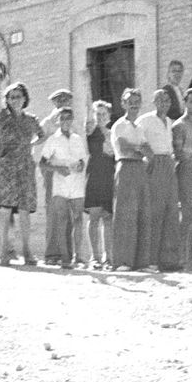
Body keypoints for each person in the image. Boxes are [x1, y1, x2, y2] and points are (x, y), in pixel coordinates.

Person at [0, 81, 48, 266]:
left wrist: (31, 144)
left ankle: (27, 252)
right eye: (11, 97)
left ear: (25, 99)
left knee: (24, 211)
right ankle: (3, 251)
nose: (15, 100)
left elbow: (42, 135)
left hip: (25, 167)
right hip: (6, 167)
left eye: (18, 96)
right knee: (5, 210)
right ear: (6, 99)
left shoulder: (31, 119)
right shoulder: (3, 118)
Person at [136, 89, 181, 271]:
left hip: (169, 164)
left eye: (167, 100)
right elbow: (138, 140)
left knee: (171, 211)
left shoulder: (170, 122)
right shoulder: (145, 120)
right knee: (155, 212)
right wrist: (149, 158)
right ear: (154, 102)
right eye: (160, 100)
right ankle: (150, 260)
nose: (164, 103)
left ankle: (168, 260)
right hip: (155, 164)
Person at [40, 107, 88, 269]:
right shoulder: (53, 139)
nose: (66, 121)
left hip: (77, 184)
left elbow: (82, 159)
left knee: (78, 219)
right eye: (63, 118)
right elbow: (42, 163)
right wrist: (57, 169)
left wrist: (81, 165)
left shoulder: (77, 139)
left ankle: (78, 256)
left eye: (69, 117)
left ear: (72, 119)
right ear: (58, 120)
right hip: (60, 184)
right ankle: (65, 257)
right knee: (62, 220)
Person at [110, 88, 150, 271]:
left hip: (140, 169)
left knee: (142, 213)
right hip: (125, 167)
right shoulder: (119, 125)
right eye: (129, 101)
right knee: (125, 214)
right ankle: (122, 261)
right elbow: (124, 148)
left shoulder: (140, 127)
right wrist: (139, 148)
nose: (134, 104)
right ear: (123, 103)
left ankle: (141, 261)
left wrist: (139, 149)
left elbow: (150, 152)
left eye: (137, 101)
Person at [39, 88, 74, 265]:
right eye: (59, 100)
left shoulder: (72, 119)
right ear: (54, 103)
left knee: (68, 211)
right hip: (53, 170)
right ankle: (52, 253)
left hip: (70, 171)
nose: (63, 102)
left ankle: (67, 253)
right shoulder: (47, 123)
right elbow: (38, 140)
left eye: (66, 99)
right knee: (53, 210)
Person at [172, 87, 192, 271]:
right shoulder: (179, 125)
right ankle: (181, 259)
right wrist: (191, 161)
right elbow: (178, 152)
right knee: (186, 212)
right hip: (187, 169)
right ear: (185, 102)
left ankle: (190, 257)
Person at [85, 100, 115, 269]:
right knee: (94, 216)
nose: (101, 117)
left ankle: (108, 256)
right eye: (98, 114)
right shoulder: (90, 132)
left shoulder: (113, 133)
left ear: (109, 116)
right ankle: (94, 257)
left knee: (108, 218)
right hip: (95, 175)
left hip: (109, 176)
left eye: (104, 114)